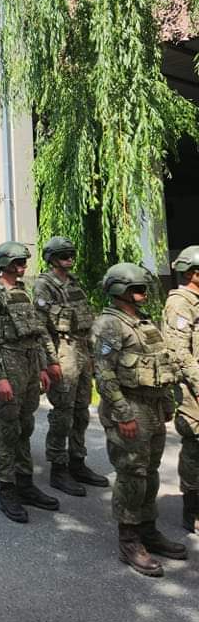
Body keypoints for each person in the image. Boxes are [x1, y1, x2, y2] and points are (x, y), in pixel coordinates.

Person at [94, 262, 199, 577]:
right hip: (130, 407)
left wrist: (167, 401)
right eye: (136, 289)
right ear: (119, 290)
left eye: (143, 288)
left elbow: (163, 365)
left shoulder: (144, 323)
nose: (142, 294)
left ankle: (148, 529)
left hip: (152, 407)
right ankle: (129, 540)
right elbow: (104, 374)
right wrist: (122, 413)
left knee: (149, 473)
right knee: (131, 475)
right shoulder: (109, 325)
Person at [0, 241, 62, 523]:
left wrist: (41, 367)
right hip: (8, 367)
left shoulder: (23, 293)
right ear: (4, 264)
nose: (22, 267)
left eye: (23, 262)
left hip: (27, 366)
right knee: (8, 430)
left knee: (25, 426)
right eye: (17, 262)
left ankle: (25, 483)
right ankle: (7, 489)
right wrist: (0, 377)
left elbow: (35, 334)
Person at [35, 236, 108, 495]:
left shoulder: (74, 283)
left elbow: (86, 319)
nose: (69, 258)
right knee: (63, 414)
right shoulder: (44, 286)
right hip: (62, 351)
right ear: (52, 258)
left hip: (81, 350)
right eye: (63, 254)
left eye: (70, 253)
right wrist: (50, 361)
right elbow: (41, 328)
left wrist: (92, 354)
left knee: (81, 411)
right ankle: (58, 468)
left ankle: (78, 462)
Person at [162, 245, 199, 533]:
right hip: (192, 388)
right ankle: (193, 509)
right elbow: (179, 352)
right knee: (195, 447)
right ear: (192, 274)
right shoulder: (180, 304)